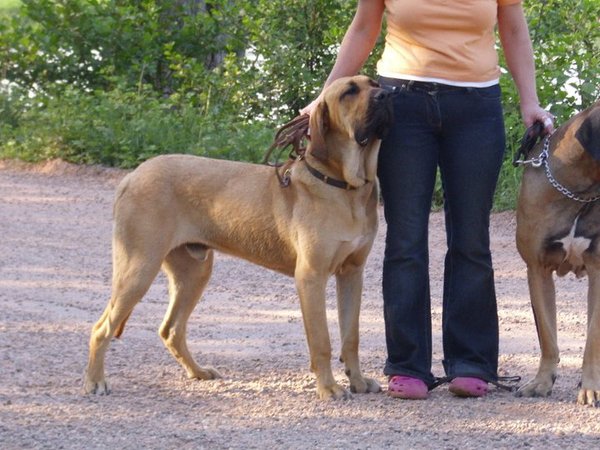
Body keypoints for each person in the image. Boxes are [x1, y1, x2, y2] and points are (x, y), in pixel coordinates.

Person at [301, 0, 555, 399]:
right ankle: (407, 365)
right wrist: (323, 98)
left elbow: (514, 30)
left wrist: (530, 101)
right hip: (400, 105)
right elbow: (363, 29)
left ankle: (471, 362)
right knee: (405, 238)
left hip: (476, 108)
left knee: (471, 239)